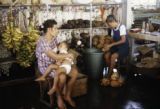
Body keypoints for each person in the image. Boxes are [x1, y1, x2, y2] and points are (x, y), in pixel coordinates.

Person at [36, 19, 78, 108]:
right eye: (55, 28)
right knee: (62, 76)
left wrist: (67, 55)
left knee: (75, 73)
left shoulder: (55, 38)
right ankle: (59, 97)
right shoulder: (42, 41)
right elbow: (55, 56)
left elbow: (61, 49)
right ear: (49, 29)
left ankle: (67, 95)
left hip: (57, 63)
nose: (57, 30)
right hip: (46, 66)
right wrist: (68, 55)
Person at [102, 15, 129, 86]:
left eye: (110, 24)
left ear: (113, 21)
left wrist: (111, 45)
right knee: (106, 55)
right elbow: (112, 40)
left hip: (124, 47)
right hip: (116, 46)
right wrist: (107, 45)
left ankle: (109, 75)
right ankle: (114, 71)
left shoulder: (122, 27)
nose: (110, 26)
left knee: (113, 56)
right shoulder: (113, 29)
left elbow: (123, 40)